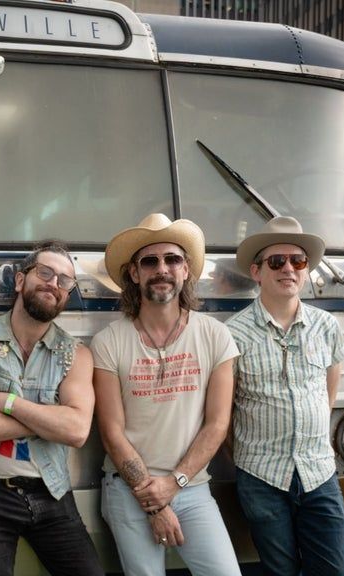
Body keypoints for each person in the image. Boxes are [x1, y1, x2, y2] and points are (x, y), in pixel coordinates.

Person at [90, 213, 240, 575]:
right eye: (150, 261)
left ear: (185, 270)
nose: (162, 269)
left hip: (191, 487)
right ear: (134, 273)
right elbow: (112, 433)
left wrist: (174, 484)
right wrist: (154, 503)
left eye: (172, 259)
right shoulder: (108, 342)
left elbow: (217, 424)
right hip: (129, 490)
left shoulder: (215, 336)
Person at [0, 241, 104, 576]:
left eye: (64, 280)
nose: (53, 283)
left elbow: (77, 431)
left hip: (52, 490)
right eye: (44, 273)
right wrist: (50, 418)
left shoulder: (77, 355)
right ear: (20, 280)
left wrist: (9, 403)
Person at [225, 216, 344, 576]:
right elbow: (223, 413)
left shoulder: (326, 326)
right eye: (277, 261)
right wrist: (248, 456)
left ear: (306, 269)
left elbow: (329, 392)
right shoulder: (232, 334)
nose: (288, 269)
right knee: (279, 571)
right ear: (256, 271)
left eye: (298, 260)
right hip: (261, 478)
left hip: (319, 473)